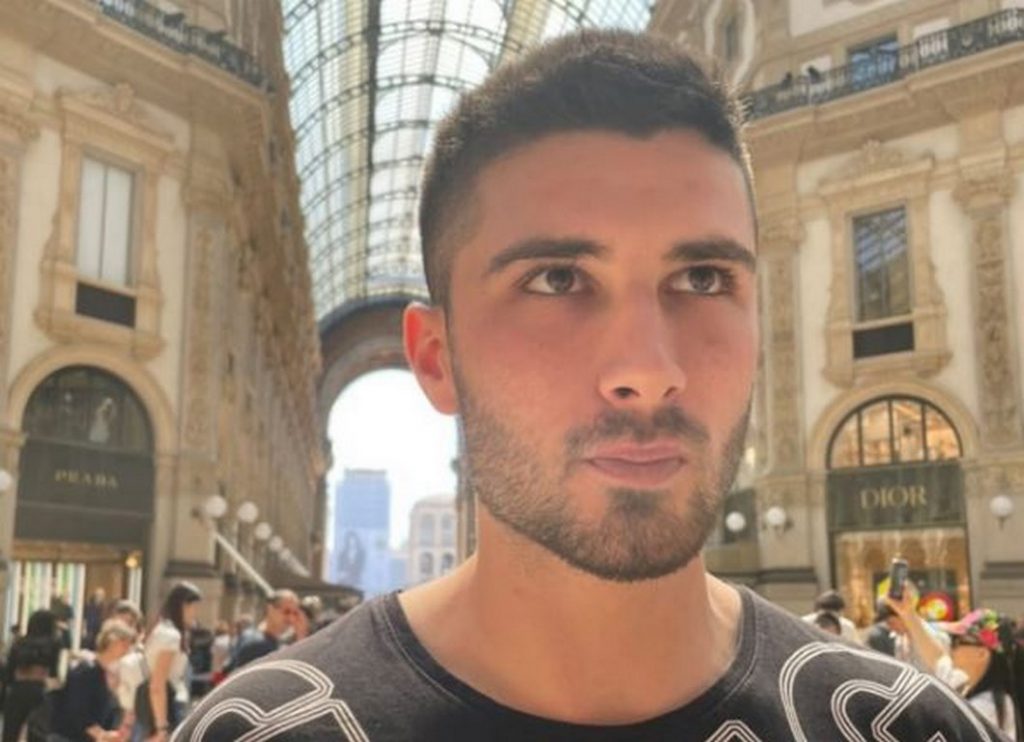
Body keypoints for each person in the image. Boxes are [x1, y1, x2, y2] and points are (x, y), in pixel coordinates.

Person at [175, 30, 1004, 740]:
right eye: (558, 279)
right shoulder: (267, 730)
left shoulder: (898, 727)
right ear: (437, 358)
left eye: (705, 278)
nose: (648, 369)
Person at [48, 619, 137, 741]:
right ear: (112, 642)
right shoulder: (85, 671)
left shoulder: (111, 675)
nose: (128, 651)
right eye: (124, 644)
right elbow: (77, 712)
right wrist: (101, 735)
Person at [138, 581, 201, 739]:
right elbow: (158, 684)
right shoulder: (170, 636)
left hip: (158, 706)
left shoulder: (162, 630)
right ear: (183, 606)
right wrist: (162, 726)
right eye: (194, 607)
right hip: (166, 707)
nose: (195, 613)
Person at [2, 610, 64, 742]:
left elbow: (8, 672)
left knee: (10, 733)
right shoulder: (54, 644)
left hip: (17, 690)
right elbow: (54, 673)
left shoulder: (19, 643)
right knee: (37, 733)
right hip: (39, 691)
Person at [224, 590, 300, 671]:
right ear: (270, 609)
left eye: (295, 613)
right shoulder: (255, 643)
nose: (291, 618)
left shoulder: (278, 642)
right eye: (286, 612)